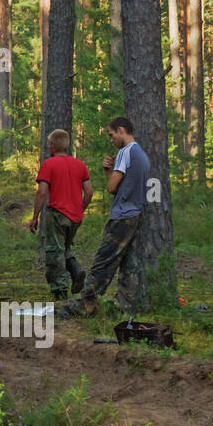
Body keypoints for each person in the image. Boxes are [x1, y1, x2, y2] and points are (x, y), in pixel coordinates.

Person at [61, 116, 150, 317]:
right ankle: (126, 307)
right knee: (130, 264)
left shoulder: (125, 152)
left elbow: (111, 187)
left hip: (122, 216)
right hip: (136, 214)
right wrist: (110, 171)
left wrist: (109, 172)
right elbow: (122, 188)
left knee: (103, 261)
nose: (111, 140)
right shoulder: (142, 155)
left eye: (112, 135)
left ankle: (85, 305)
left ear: (121, 130)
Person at [28, 128, 92, 300]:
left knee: (55, 251)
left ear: (52, 145)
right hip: (75, 217)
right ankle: (76, 271)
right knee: (64, 247)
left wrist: (35, 217)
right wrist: (80, 209)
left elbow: (42, 192)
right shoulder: (80, 165)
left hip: (57, 214)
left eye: (49, 144)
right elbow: (89, 191)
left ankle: (60, 291)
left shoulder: (49, 164)